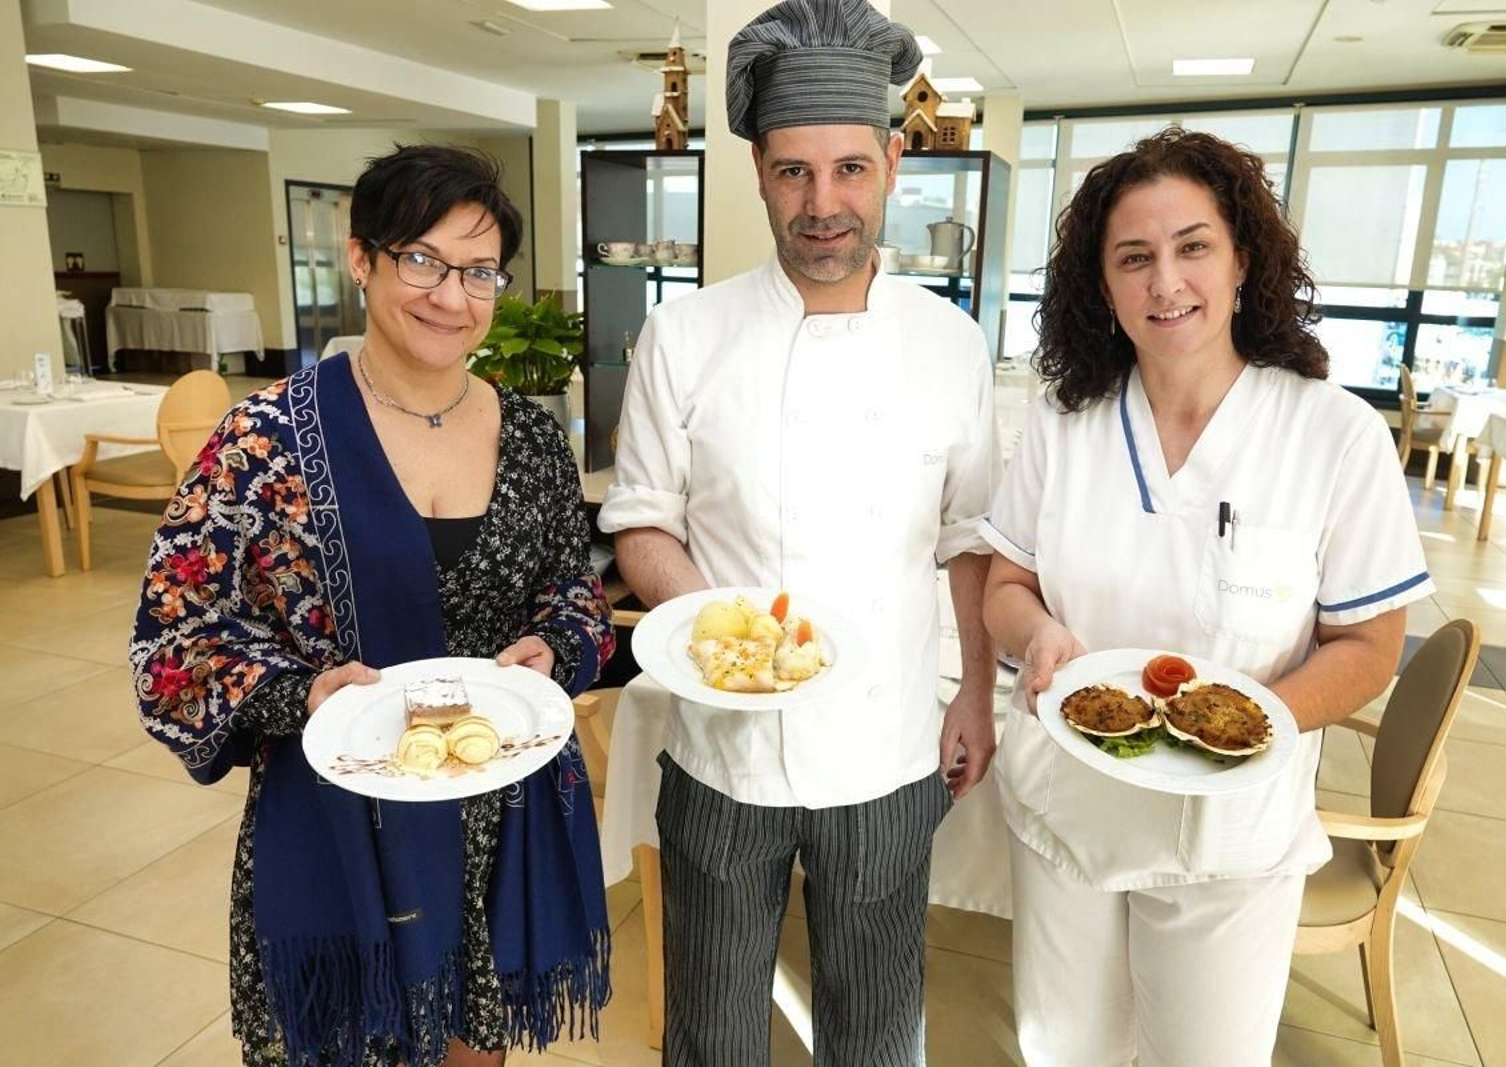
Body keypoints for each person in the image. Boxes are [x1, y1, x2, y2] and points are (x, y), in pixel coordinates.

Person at [130, 144, 613, 1067]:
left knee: (478, 1048)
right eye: (421, 260)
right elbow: (173, 643)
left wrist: (556, 646)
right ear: (362, 259)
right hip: (338, 821)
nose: (449, 296)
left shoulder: (534, 440)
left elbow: (575, 598)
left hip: (496, 807)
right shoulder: (262, 440)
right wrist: (299, 692)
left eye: (478, 272)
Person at [597, 0, 1000, 1061]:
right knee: (715, 1029)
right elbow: (640, 516)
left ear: (892, 163)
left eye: (848, 171)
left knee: (874, 1026)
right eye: (792, 172)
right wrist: (722, 627)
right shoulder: (684, 335)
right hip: (720, 746)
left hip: (887, 748)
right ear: (758, 173)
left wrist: (972, 690)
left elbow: (968, 536)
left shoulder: (950, 344)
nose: (822, 204)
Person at [980, 127, 1434, 1067]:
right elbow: (1006, 584)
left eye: (1193, 247)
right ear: (1101, 287)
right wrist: (1037, 632)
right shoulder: (1066, 427)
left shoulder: (1332, 435)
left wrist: (1251, 723)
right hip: (1069, 813)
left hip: (1230, 839)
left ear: (1242, 261)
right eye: (1133, 258)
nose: (1165, 282)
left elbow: (1369, 644)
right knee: (1065, 1051)